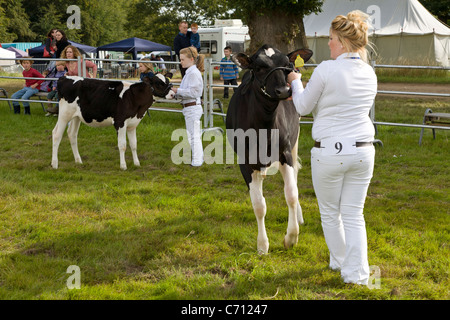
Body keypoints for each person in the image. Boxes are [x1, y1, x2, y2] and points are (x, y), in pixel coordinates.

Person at [287, 10, 377, 285]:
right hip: (363, 151)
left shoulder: (327, 68)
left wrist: (295, 82)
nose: (328, 44)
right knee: (354, 214)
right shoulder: (369, 72)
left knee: (330, 213)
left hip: (330, 152)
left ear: (344, 42)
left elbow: (302, 106)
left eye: (331, 38)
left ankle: (341, 263)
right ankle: (358, 274)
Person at [172, 46, 205, 167]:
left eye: (182, 59)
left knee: (194, 136)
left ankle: (197, 161)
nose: (181, 62)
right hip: (189, 107)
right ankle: (198, 158)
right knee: (193, 135)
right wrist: (177, 94)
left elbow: (195, 93)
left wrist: (177, 91)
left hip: (192, 107)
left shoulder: (193, 73)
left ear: (191, 59)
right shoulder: (189, 72)